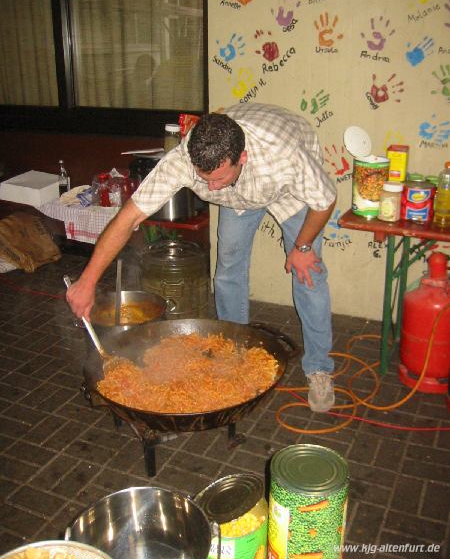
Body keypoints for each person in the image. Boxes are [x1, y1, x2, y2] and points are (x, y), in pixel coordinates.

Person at [66, 103, 337, 412]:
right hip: (240, 196)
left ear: (242, 159)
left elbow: (325, 200)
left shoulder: (286, 158)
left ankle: (319, 369)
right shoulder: (183, 160)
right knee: (226, 273)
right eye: (202, 178)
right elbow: (127, 219)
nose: (209, 188)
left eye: (218, 179)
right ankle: (233, 354)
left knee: (309, 275)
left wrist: (302, 247)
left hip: (289, 190)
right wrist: (87, 281)